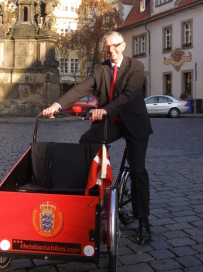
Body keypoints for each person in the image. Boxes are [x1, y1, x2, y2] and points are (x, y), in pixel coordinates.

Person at [42, 30, 153, 245]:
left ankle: (144, 223)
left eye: (115, 46)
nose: (111, 50)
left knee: (138, 170)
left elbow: (128, 97)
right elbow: (81, 88)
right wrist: (57, 105)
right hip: (111, 124)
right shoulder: (101, 69)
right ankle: (99, 184)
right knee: (87, 141)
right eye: (107, 47)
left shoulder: (136, 67)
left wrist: (105, 110)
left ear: (123, 46)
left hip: (134, 124)